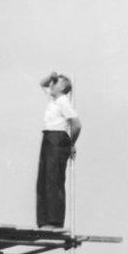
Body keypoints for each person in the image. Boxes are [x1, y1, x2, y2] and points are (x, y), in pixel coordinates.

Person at [36, 71, 82, 229]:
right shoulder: (53, 99)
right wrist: (51, 76)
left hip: (58, 138)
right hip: (48, 137)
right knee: (44, 178)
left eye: (56, 82)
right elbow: (42, 83)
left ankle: (54, 221)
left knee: (53, 179)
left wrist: (71, 143)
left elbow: (76, 124)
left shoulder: (63, 101)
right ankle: (45, 220)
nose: (52, 84)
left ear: (63, 86)